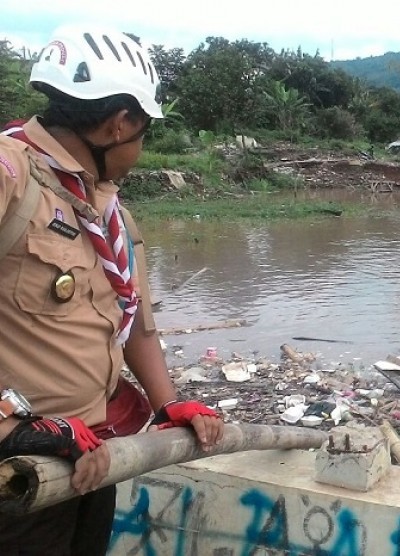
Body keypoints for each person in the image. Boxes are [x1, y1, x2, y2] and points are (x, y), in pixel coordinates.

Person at [0, 25, 223, 554]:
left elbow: (134, 321)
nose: (142, 149)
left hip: (91, 453)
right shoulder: (11, 175)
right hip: (15, 463)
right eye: (145, 133)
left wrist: (169, 403)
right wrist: (11, 426)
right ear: (118, 124)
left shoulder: (109, 212)